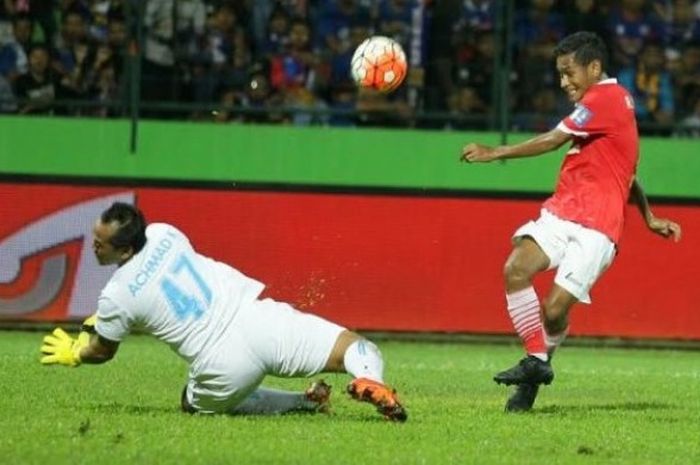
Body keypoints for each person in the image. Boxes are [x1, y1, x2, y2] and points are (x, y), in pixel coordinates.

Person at [460, 31, 682, 412]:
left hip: (597, 228)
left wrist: (495, 151)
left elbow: (551, 140)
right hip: (563, 212)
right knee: (516, 268)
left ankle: (532, 378)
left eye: (569, 72)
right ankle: (536, 360)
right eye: (560, 74)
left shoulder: (606, 98)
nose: (564, 82)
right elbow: (627, 175)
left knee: (555, 310)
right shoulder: (611, 107)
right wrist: (649, 216)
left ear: (594, 67)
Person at [40, 202, 407, 422]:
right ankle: (370, 378)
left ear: (123, 252)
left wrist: (76, 353)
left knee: (190, 403)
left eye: (100, 244)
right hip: (258, 318)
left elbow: (103, 350)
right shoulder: (166, 232)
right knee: (358, 347)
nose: (94, 248)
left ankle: (304, 402)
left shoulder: (116, 295)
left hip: (220, 362)